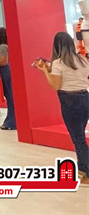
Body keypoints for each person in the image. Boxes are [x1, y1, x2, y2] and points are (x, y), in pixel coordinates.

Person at [36, 32, 89, 184]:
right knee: (79, 135)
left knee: (78, 138)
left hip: (69, 100)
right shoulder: (82, 59)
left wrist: (45, 71)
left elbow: (55, 85)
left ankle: (87, 171)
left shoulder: (58, 63)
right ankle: (82, 168)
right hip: (85, 97)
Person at [0, 27, 16, 130]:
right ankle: (11, 120)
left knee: (10, 96)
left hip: (4, 71)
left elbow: (3, 61)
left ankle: (11, 121)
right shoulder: (6, 46)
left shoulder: (2, 47)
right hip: (6, 71)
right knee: (10, 96)